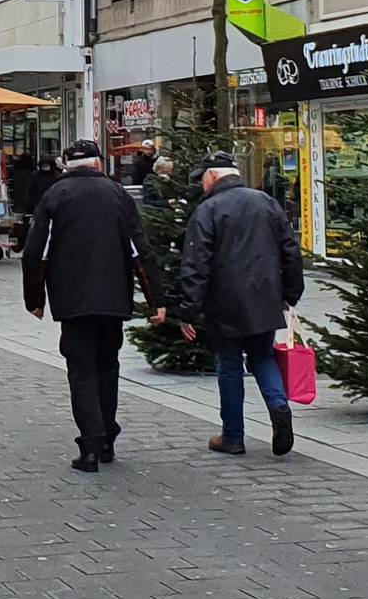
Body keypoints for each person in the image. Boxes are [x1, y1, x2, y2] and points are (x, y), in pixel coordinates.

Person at [25, 138, 165, 472]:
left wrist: (35, 299)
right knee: (107, 365)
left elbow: (36, 252)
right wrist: (156, 300)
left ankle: (89, 445)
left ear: (67, 165)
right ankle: (106, 439)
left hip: (73, 300)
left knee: (81, 371)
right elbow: (139, 250)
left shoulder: (55, 196)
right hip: (113, 298)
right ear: (98, 163)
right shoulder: (117, 195)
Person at [177, 151, 304, 458]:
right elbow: (291, 251)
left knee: (229, 364)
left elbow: (196, 263)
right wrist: (291, 293)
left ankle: (233, 436)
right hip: (265, 297)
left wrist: (189, 310)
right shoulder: (267, 202)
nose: (201, 185)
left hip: (225, 301)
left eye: (202, 179)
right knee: (262, 358)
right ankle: (279, 406)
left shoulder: (208, 210)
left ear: (212, 176)